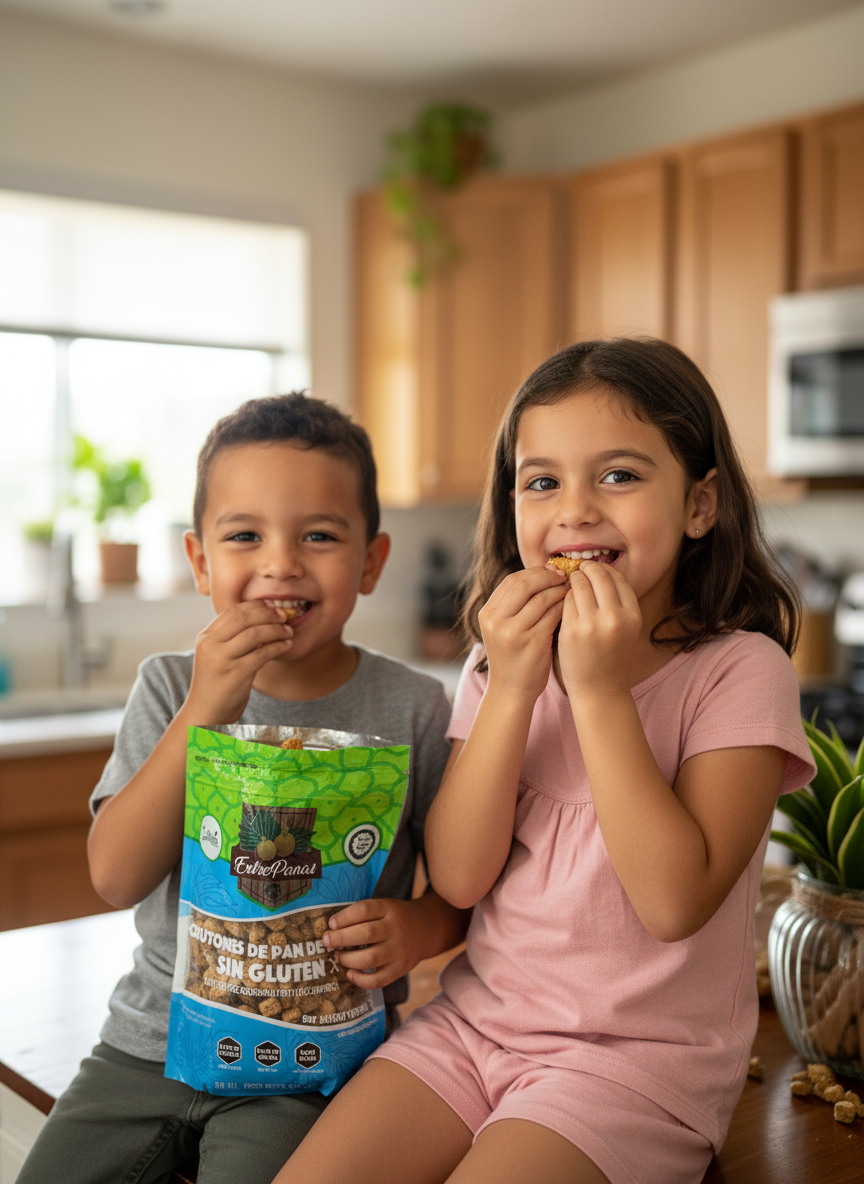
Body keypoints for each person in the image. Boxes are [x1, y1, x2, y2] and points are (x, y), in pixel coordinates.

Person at [272, 338, 817, 1184]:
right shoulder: (500, 665)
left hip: (632, 1066)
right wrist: (516, 688)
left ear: (700, 504)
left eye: (620, 476)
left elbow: (674, 901)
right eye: (542, 481)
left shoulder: (741, 671)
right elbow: (458, 876)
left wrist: (597, 695)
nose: (575, 511)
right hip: (473, 1028)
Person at [17, 393, 468, 1184]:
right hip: (146, 1047)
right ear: (201, 561)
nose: (281, 562)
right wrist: (205, 712)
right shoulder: (169, 688)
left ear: (371, 560)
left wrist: (421, 927)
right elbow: (115, 874)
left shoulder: (414, 707)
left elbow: (467, 880)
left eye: (319, 536)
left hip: (310, 1064)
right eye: (244, 535)